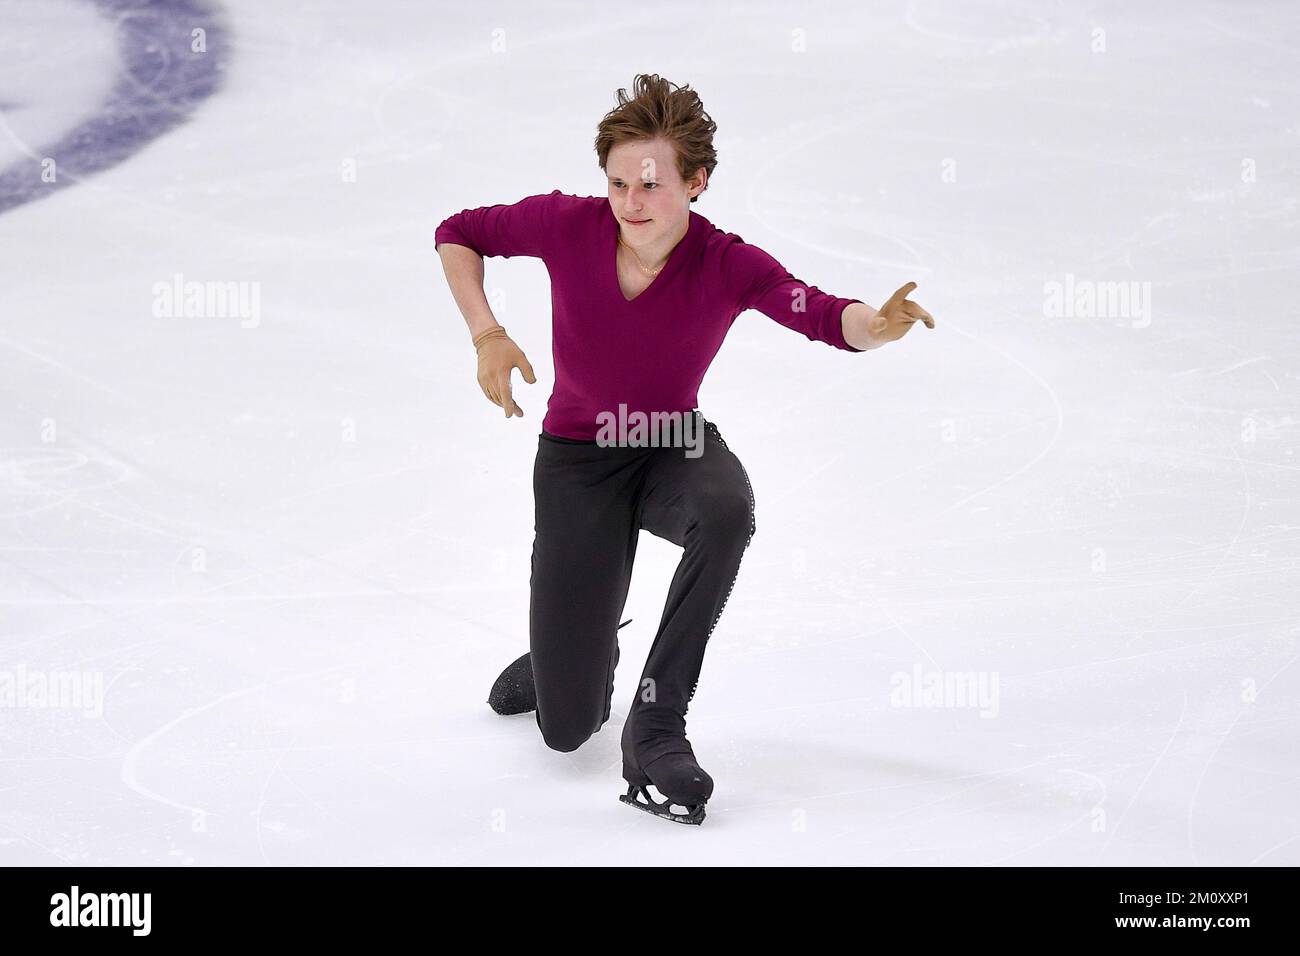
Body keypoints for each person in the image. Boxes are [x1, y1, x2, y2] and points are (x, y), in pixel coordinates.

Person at [435, 74, 934, 824]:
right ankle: (569, 654)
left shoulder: (727, 262)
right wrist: (488, 335)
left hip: (671, 442)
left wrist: (877, 325)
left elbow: (821, 314)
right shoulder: (566, 225)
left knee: (727, 510)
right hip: (578, 459)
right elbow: (459, 231)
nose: (631, 202)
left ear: (697, 181)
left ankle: (657, 724)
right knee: (567, 731)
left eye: (650, 183)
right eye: (617, 183)